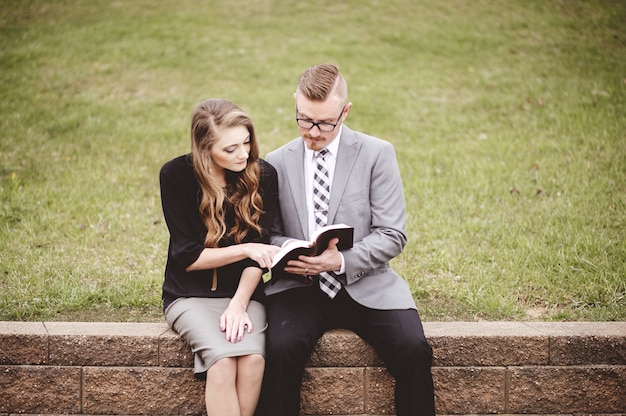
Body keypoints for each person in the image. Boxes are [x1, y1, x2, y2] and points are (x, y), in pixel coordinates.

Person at [256, 64, 435, 416]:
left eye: (325, 123)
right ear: (295, 103)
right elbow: (268, 233)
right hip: (299, 286)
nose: (313, 132)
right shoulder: (276, 162)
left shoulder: (376, 154)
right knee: (280, 348)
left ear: (346, 111)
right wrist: (290, 252)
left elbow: (393, 234)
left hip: (367, 283)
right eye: (304, 120)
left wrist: (339, 261)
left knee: (413, 347)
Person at [159, 98, 280, 416]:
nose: (243, 154)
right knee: (223, 362)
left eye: (246, 141)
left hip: (244, 292)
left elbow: (261, 254)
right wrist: (244, 248)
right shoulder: (175, 176)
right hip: (187, 294)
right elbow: (188, 257)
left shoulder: (263, 175)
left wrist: (239, 304)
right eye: (230, 149)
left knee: (253, 360)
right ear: (204, 149)